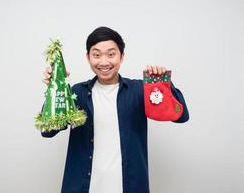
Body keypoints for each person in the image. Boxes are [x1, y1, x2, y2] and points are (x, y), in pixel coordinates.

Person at [41, 26, 189, 193]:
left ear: (122, 56)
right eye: (96, 55)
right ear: (88, 57)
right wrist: (55, 90)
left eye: (111, 54)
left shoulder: (139, 90)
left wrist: (163, 84)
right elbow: (47, 130)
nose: (104, 62)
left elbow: (181, 116)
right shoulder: (77, 93)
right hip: (83, 186)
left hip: (128, 186)